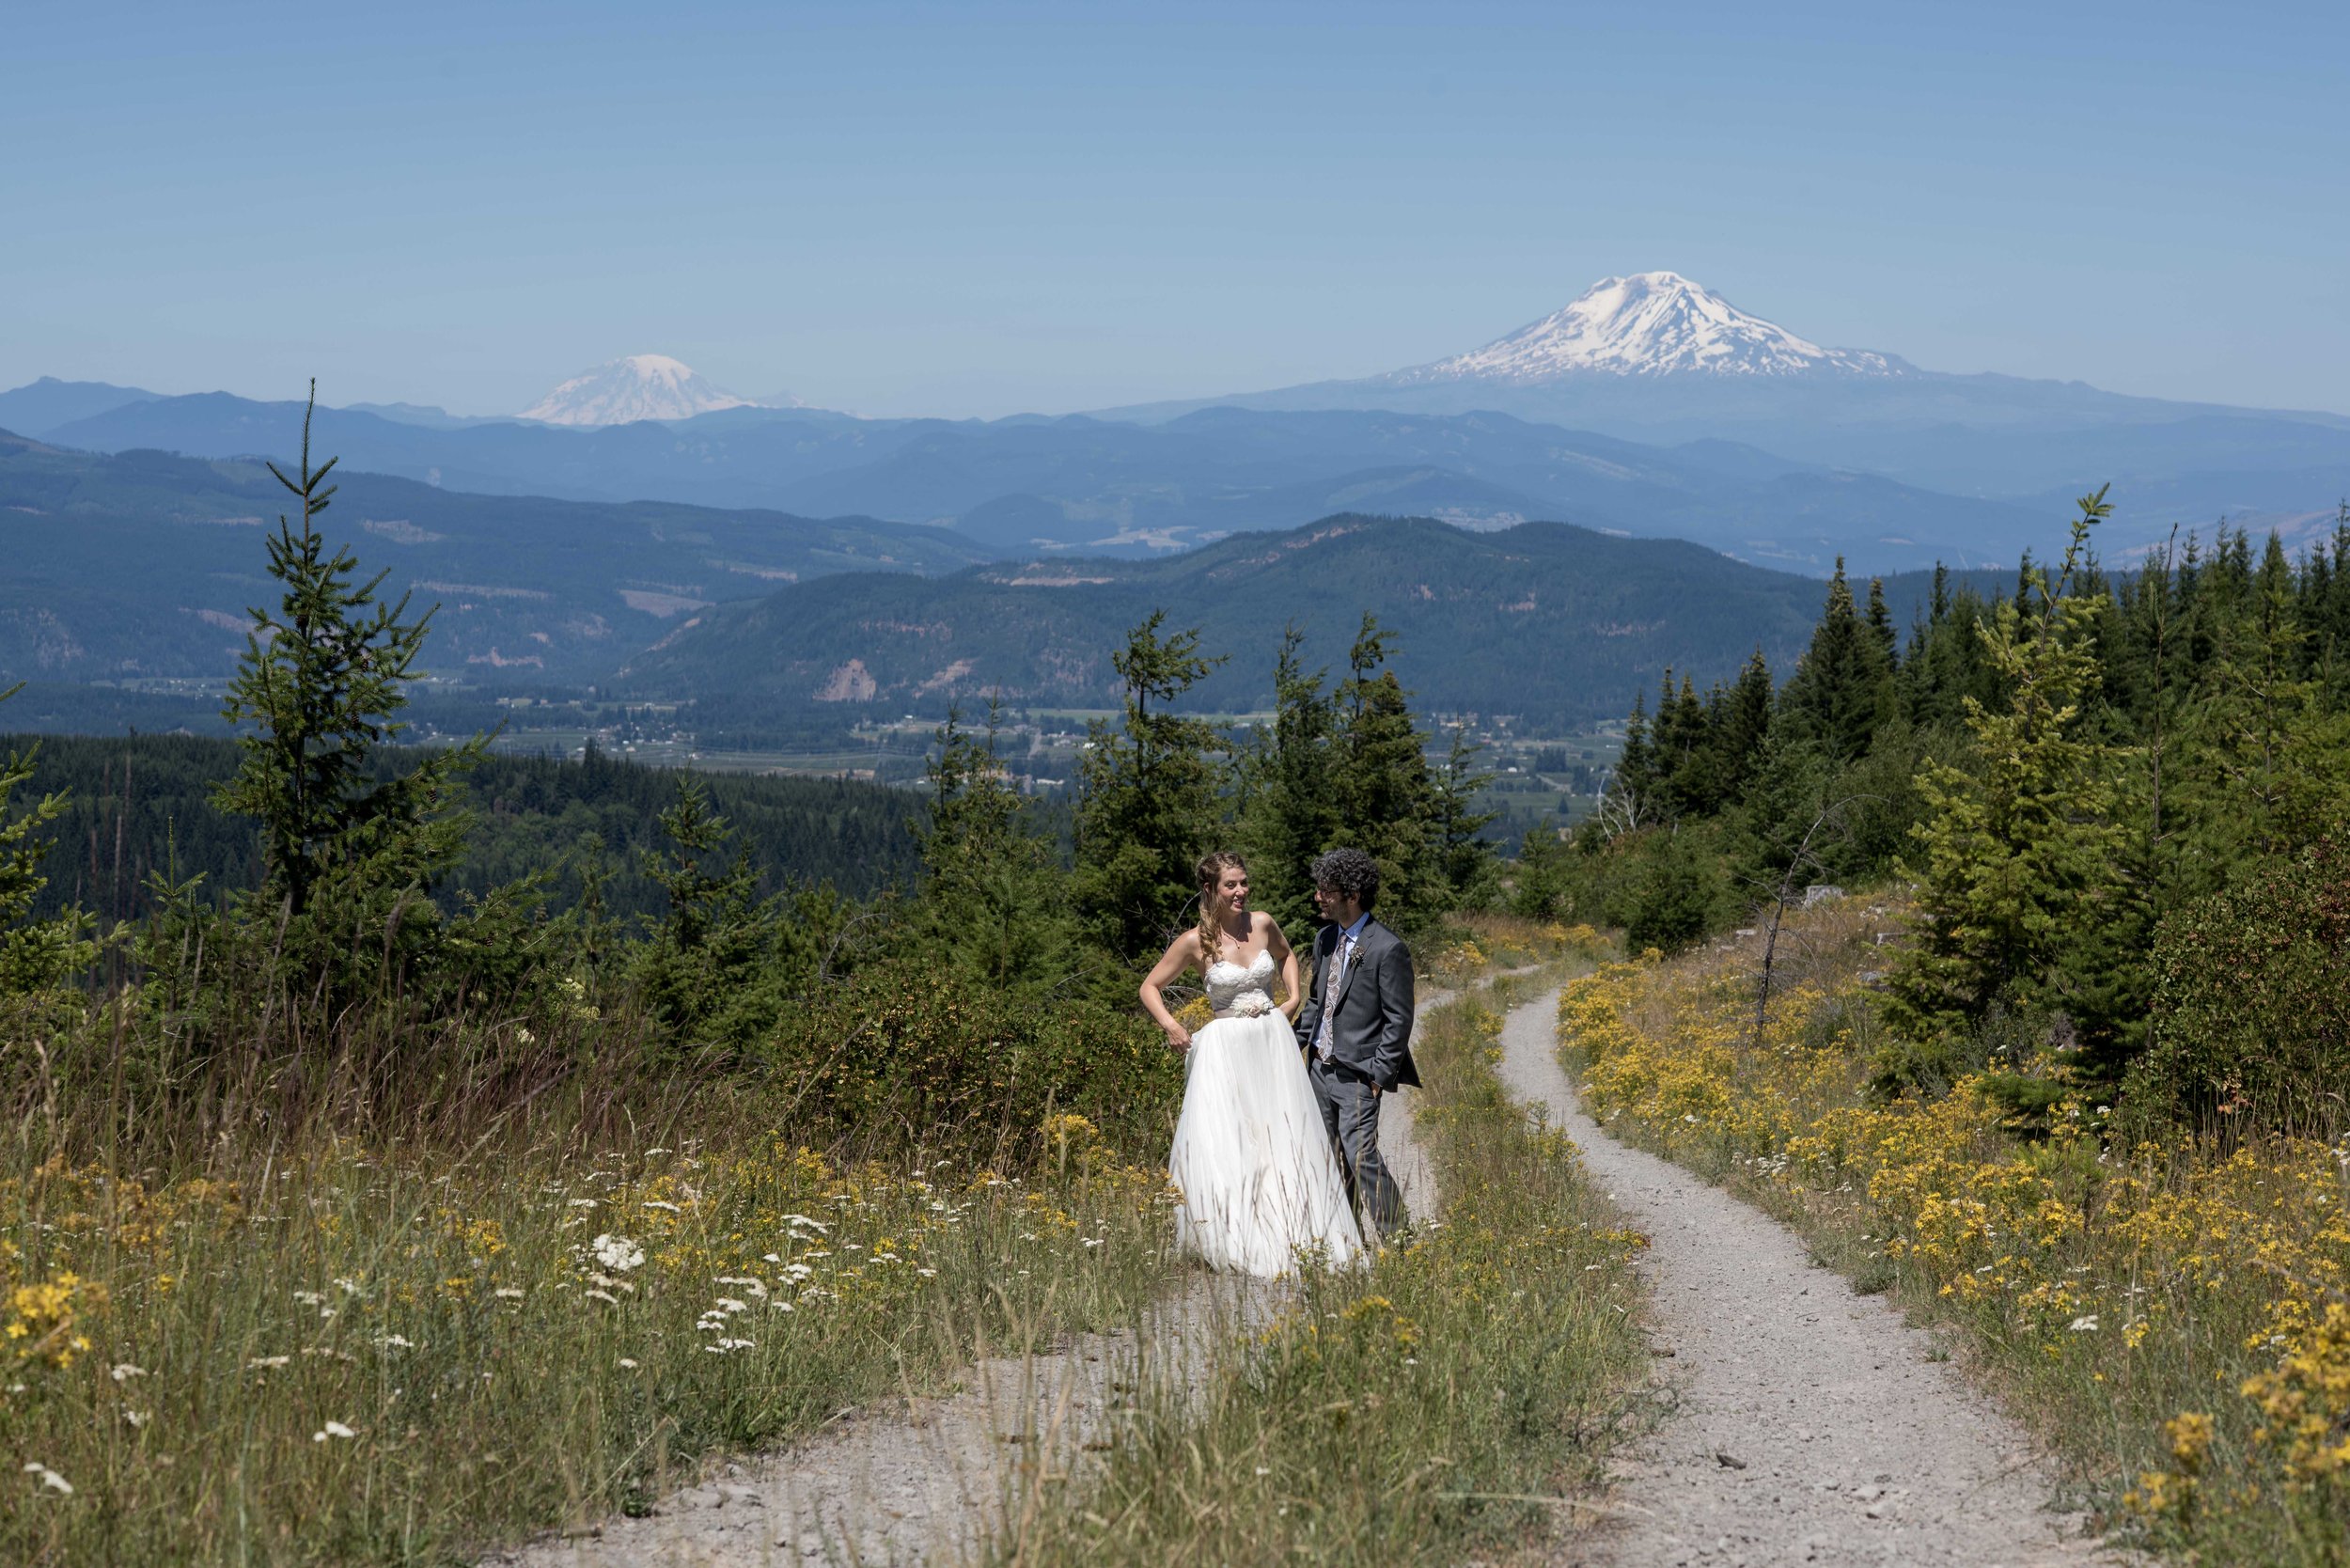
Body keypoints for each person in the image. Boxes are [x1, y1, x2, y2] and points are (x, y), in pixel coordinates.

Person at [1140, 852, 1365, 1276]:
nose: (1241, 891)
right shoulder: (1195, 942)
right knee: (1232, 1136)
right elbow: (1150, 986)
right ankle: (1237, 1231)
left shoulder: (1261, 923)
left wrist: (1294, 997)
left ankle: (1297, 1226)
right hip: (1224, 1048)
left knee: (1281, 1130)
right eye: (1231, 885)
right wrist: (1171, 1025)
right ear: (1210, 890)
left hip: (1271, 1040)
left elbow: (1287, 956)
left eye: (1244, 882)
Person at [1292, 847, 1418, 1242]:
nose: (1318, 897)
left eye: (1326, 890)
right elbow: (1316, 1000)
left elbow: (1399, 1019)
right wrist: (1290, 1044)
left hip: (1359, 1076)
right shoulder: (1325, 938)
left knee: (1362, 1157)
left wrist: (1378, 1075)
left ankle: (1400, 1242)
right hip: (1319, 1070)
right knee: (1330, 1160)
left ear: (1352, 895)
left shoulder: (1387, 947)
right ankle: (1346, 1241)